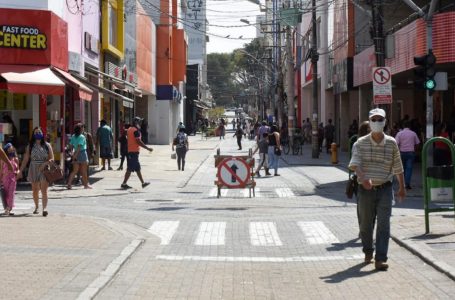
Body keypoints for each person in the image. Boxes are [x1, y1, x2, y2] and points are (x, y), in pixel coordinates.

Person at [349, 108, 406, 271]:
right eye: (373, 119)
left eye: (379, 119)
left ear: (385, 121)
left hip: (385, 189)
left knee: (384, 224)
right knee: (366, 225)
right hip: (365, 190)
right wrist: (363, 177)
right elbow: (355, 164)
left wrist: (401, 187)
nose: (376, 122)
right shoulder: (360, 143)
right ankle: (368, 251)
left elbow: (397, 166)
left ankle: (381, 258)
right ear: (369, 121)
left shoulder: (392, 142)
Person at [18, 127, 55, 217]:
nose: (38, 133)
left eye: (39, 132)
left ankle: (44, 208)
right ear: (33, 134)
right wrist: (20, 170)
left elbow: (52, 159)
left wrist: (45, 163)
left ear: (42, 134)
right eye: (36, 132)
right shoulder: (30, 146)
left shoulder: (47, 145)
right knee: (35, 190)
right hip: (33, 168)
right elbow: (26, 159)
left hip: (44, 168)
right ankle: (37, 207)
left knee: (44, 190)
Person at [121, 117, 153, 189]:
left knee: (137, 168)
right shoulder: (135, 131)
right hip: (133, 152)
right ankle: (124, 183)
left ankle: (143, 183)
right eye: (139, 122)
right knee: (130, 168)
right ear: (136, 123)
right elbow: (138, 141)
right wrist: (147, 148)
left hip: (131, 151)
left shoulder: (129, 129)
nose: (140, 124)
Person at [394, 121, 420, 190]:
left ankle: (402, 184)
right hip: (411, 153)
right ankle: (407, 184)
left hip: (402, 153)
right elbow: (417, 143)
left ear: (403, 126)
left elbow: (396, 143)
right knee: (409, 168)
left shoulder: (399, 134)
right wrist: (415, 150)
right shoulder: (413, 133)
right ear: (410, 126)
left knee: (402, 169)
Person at [66, 124, 92, 190]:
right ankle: (86, 185)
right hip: (82, 154)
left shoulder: (73, 136)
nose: (83, 129)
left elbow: (71, 145)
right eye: (82, 128)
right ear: (80, 129)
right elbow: (79, 147)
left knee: (74, 171)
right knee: (84, 171)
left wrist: (72, 154)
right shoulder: (82, 137)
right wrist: (75, 155)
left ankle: (69, 184)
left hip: (75, 154)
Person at [0, 143, 19, 216]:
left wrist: (17, 172)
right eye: (9, 149)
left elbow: (18, 169)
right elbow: (1, 170)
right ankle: (7, 208)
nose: (11, 150)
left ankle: (8, 208)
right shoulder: (3, 159)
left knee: (11, 194)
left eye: (12, 148)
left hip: (13, 179)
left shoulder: (16, 159)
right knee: (6, 195)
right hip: (5, 178)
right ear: (6, 150)